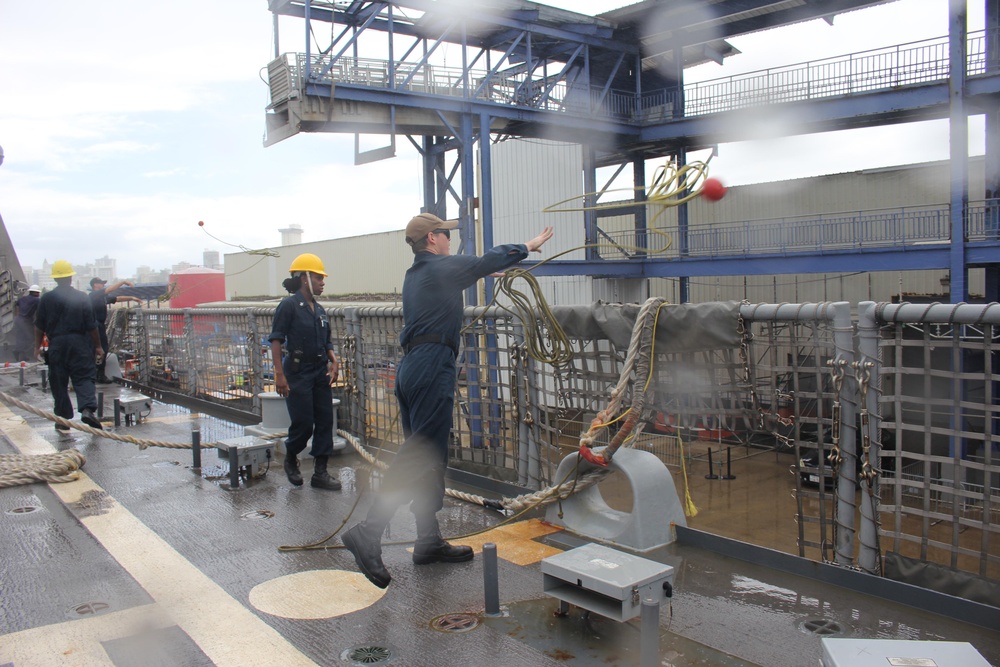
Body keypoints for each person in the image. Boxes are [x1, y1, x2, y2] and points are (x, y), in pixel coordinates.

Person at [342, 212, 554, 588]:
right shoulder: (438, 268)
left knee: (429, 456)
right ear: (431, 239)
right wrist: (528, 247)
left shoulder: (420, 274)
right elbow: (486, 259)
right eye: (445, 234)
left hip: (414, 367)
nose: (449, 239)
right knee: (421, 452)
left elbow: (469, 270)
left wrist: (475, 272)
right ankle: (369, 531)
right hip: (430, 365)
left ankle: (427, 540)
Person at [268, 253, 342, 491]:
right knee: (303, 423)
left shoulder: (320, 310)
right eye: (319, 277)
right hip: (297, 372)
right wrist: (280, 375)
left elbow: (326, 341)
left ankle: (320, 473)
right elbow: (277, 340)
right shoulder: (288, 306)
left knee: (324, 422)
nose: (323, 282)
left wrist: (334, 360)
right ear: (305, 278)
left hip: (319, 371)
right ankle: (291, 456)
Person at [33, 260, 103, 431]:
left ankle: (63, 419)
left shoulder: (46, 299)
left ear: (55, 279)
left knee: (58, 380)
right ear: (71, 277)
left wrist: (36, 347)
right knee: (84, 377)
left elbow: (39, 326)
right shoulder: (81, 297)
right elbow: (91, 325)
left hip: (57, 344)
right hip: (79, 343)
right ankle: (87, 409)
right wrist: (98, 346)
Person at [89, 277, 142, 383]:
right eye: (101, 283)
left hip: (100, 325)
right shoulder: (93, 295)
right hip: (94, 325)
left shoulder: (103, 297)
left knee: (103, 348)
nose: (103, 285)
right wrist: (123, 282)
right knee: (96, 349)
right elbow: (109, 290)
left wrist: (131, 298)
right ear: (95, 285)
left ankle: (100, 373)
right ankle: (94, 374)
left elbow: (117, 298)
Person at [13, 284, 41, 362]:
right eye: (38, 293)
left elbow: (17, 308)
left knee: (20, 338)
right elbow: (39, 312)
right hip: (26, 321)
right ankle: (21, 353)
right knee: (31, 338)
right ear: (36, 293)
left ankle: (19, 353)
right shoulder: (37, 300)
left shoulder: (22, 298)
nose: (39, 294)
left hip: (18, 320)